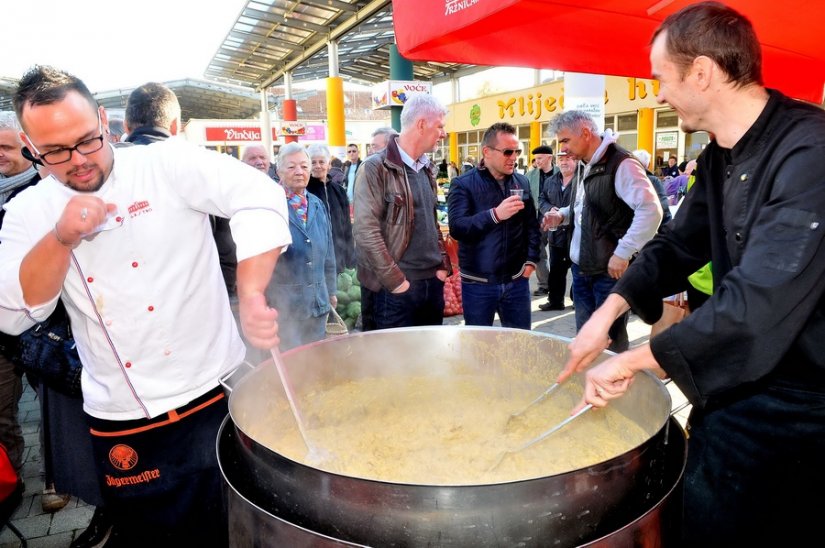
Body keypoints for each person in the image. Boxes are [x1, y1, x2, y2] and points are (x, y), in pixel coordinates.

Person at [558, 3, 825, 546]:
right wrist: (610, 311)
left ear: (701, 73)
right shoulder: (719, 156)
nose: (658, 93)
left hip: (803, 408)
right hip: (730, 393)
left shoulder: (810, 152)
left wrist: (634, 361)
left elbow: (755, 309)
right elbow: (678, 244)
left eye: (661, 77)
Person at [0, 65, 290, 546]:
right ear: (32, 148)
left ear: (103, 119)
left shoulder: (165, 165)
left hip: (214, 394)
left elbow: (260, 196)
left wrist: (253, 289)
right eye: (55, 152)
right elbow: (12, 313)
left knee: (238, 530)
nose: (78, 161)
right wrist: (61, 238)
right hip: (122, 418)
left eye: (88, 140)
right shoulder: (31, 211)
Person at [543, 110, 661, 352]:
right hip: (583, 268)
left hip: (608, 272)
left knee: (610, 343)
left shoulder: (622, 163)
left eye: (565, 140)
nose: (563, 148)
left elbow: (651, 211)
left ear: (585, 133)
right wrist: (563, 214)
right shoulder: (586, 164)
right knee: (587, 339)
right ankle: (589, 383)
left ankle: (613, 388)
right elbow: (587, 204)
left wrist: (623, 252)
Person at [353, 94, 452, 330]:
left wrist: (442, 266)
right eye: (440, 126)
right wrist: (397, 282)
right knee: (390, 364)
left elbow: (432, 222)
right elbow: (366, 231)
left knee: (429, 360)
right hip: (393, 291)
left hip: (430, 284)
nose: (443, 133)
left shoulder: (427, 167)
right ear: (421, 124)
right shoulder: (375, 168)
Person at [448, 122, 540, 329]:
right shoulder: (463, 184)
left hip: (516, 281)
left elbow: (531, 225)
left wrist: (532, 260)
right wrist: (495, 215)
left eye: (517, 151)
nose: (514, 157)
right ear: (487, 152)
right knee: (479, 349)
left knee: (520, 345)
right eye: (508, 152)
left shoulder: (521, 182)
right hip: (478, 283)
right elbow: (457, 227)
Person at [265, 143, 337, 351]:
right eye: (292, 167)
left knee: (316, 361)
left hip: (318, 302)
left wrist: (331, 290)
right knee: (292, 365)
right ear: (278, 171)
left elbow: (328, 250)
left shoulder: (316, 204)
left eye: (304, 167)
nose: (299, 172)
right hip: (285, 307)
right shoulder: (271, 204)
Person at [538, 151, 578, 311]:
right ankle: (555, 301)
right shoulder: (551, 181)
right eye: (561, 159)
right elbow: (542, 199)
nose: (564, 162)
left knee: (578, 270)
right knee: (556, 270)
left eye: (568, 158)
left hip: (575, 234)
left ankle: (577, 300)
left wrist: (563, 213)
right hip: (555, 234)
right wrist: (548, 208)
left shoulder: (581, 181)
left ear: (576, 160)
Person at [307, 143, 355, 274]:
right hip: (315, 260)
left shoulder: (338, 190)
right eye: (313, 162)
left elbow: (346, 226)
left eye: (322, 162)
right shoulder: (304, 190)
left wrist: (350, 259)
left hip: (338, 254)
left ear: (329, 165)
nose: (318, 166)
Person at [527, 145, 556, 296]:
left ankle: (556, 287)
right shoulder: (530, 175)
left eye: (540, 158)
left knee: (558, 254)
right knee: (538, 251)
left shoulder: (561, 172)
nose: (536, 161)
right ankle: (544, 285)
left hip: (559, 219)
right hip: (537, 220)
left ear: (549, 158)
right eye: (536, 159)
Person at [631, 148, 672, 229]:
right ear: (648, 165)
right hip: (649, 230)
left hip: (626, 232)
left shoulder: (623, 180)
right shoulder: (653, 181)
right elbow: (663, 209)